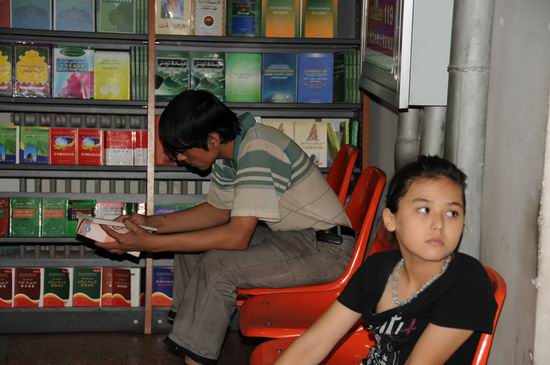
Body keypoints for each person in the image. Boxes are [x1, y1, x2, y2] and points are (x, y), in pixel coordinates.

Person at [95, 90, 355, 365]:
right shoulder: (232, 151)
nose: (181, 159)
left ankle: (195, 354)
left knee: (218, 266)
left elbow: (237, 236)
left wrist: (150, 244)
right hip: (295, 239)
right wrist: (151, 224)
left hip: (326, 251)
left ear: (212, 139)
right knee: (192, 248)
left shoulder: (257, 150)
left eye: (183, 150)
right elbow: (218, 212)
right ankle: (189, 338)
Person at [274, 155, 498, 365]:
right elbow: (315, 342)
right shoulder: (377, 269)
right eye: (424, 209)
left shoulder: (467, 283)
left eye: (452, 213)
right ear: (391, 220)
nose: (439, 224)